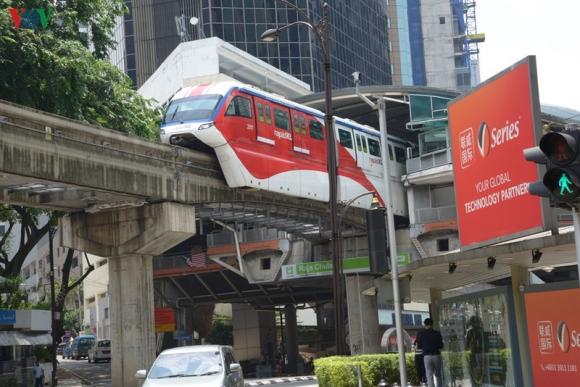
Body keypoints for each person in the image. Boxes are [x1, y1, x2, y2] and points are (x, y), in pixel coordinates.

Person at [416, 318, 443, 387]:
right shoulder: (437, 333)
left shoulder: (422, 334)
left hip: (427, 356)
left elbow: (419, 346)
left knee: (429, 376)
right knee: (438, 375)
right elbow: (441, 345)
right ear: (432, 324)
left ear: (425, 325)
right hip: (437, 355)